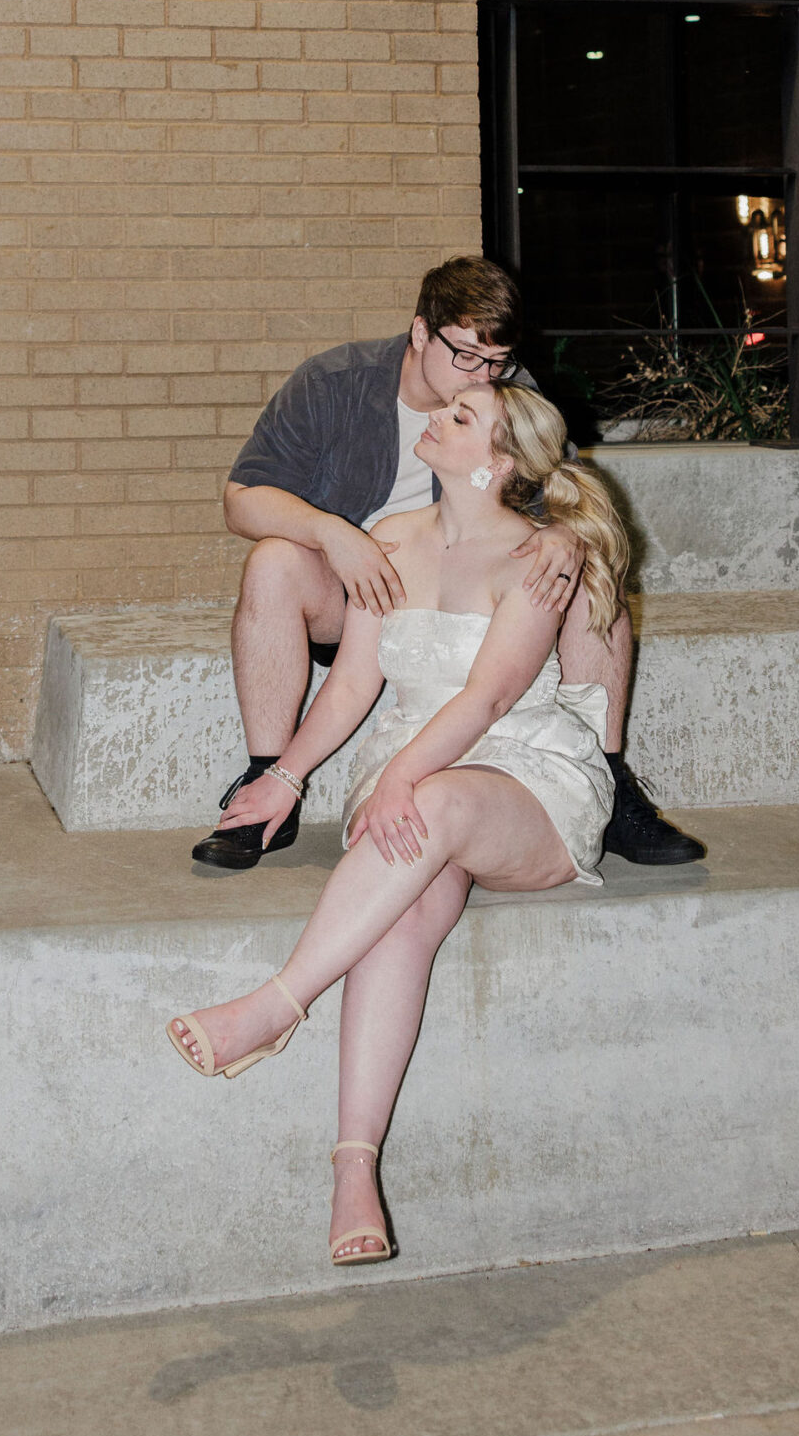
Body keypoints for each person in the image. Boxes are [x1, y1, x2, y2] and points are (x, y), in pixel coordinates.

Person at [167, 381, 629, 1266]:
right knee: (399, 919)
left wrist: (404, 778)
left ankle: (276, 1004)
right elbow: (350, 684)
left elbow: (490, 694)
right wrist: (286, 778)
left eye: (460, 419)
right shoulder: (390, 542)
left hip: (523, 777)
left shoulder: (541, 555)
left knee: (431, 806)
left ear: (495, 462)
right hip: (410, 772)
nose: (435, 420)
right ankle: (353, 1170)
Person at [193, 254, 701, 871]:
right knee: (273, 560)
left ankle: (611, 779)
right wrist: (331, 534)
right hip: (358, 595)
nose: (478, 376)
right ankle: (268, 782)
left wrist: (567, 536)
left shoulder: (507, 395)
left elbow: (566, 485)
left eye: (497, 362)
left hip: (469, 603)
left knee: (591, 585)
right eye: (465, 355)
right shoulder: (334, 383)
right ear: (419, 332)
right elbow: (242, 501)